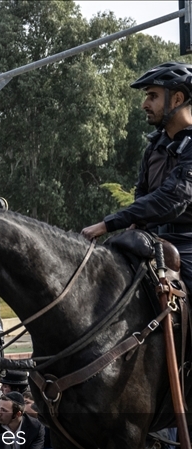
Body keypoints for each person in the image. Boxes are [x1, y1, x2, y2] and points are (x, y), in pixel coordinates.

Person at [81, 62, 192, 293]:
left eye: (153, 96)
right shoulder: (154, 147)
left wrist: (107, 224)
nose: (145, 104)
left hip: (187, 245)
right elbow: (143, 192)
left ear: (177, 99)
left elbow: (170, 199)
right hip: (154, 240)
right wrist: (136, 222)